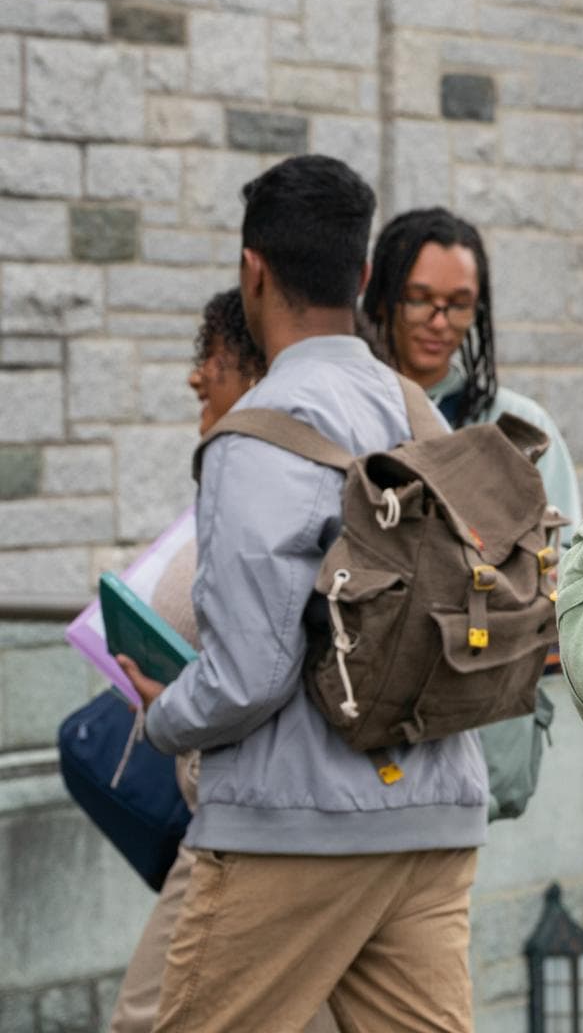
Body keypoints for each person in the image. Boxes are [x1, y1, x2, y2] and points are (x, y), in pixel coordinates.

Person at [117, 154, 487, 1033]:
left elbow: (250, 671)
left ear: (253, 272)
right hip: (434, 817)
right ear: (362, 277)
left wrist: (163, 715)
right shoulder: (414, 409)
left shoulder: (257, 436)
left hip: (296, 825)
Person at [111, 290, 342, 1033]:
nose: (193, 379)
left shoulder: (257, 468)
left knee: (148, 1020)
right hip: (296, 812)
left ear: (245, 367)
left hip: (254, 816)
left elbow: (246, 671)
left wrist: (161, 716)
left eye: (207, 357)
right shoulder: (275, 460)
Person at [360, 207, 580, 537]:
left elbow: (565, 554)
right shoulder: (352, 412)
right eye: (419, 299)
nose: (439, 322)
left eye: (459, 305)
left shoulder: (522, 428)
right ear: (381, 299)